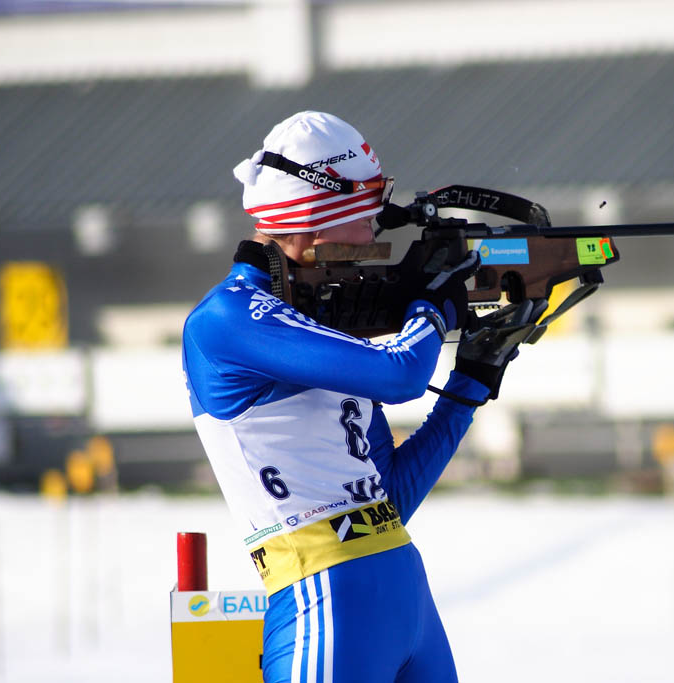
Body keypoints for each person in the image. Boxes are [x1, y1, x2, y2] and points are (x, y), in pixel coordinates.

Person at [182, 111, 524, 683]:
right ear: (315, 223)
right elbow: (401, 376)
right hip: (324, 597)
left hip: (400, 586)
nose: (375, 235)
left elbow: (384, 501)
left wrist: (470, 380)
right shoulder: (226, 319)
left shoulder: (319, 320)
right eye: (365, 219)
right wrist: (430, 306)